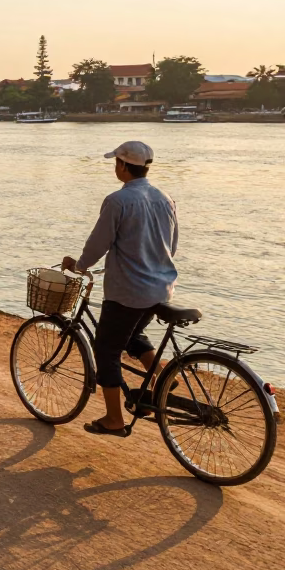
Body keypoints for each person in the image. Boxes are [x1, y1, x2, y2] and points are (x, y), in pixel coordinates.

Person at [62, 141, 179, 438]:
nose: (115, 167)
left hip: (128, 291)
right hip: (161, 287)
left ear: (124, 166)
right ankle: (162, 379)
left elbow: (98, 244)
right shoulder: (165, 198)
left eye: (116, 162)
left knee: (106, 350)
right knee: (133, 334)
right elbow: (172, 245)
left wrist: (79, 265)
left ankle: (114, 419)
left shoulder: (117, 201)